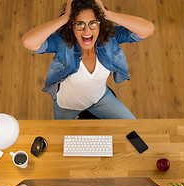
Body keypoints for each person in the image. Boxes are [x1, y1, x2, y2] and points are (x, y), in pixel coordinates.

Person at [22, 0, 154, 119]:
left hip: (100, 99)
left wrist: (106, 13)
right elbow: (29, 42)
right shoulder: (62, 42)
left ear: (100, 23)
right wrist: (65, 18)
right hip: (66, 106)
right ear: (71, 25)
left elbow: (147, 29)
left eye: (93, 23)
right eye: (79, 24)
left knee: (132, 126)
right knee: (63, 141)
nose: (87, 31)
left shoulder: (110, 37)